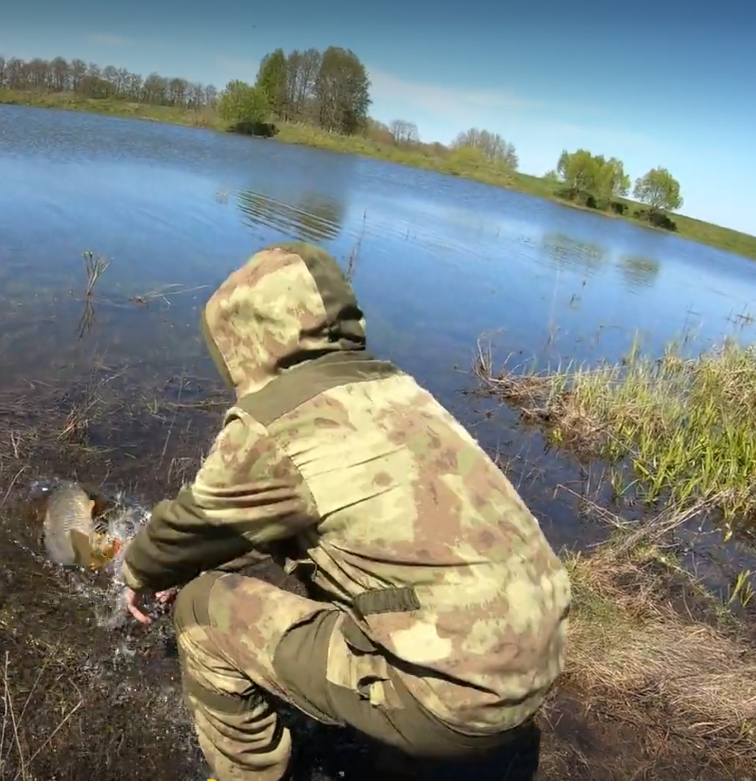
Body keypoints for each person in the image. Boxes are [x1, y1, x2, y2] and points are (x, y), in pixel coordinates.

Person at [119, 242, 570, 781]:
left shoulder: (274, 427)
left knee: (199, 611)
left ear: (244, 339)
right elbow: (318, 520)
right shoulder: (398, 390)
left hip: (456, 701)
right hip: (536, 664)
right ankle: (407, 750)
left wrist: (138, 570)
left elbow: (192, 526)